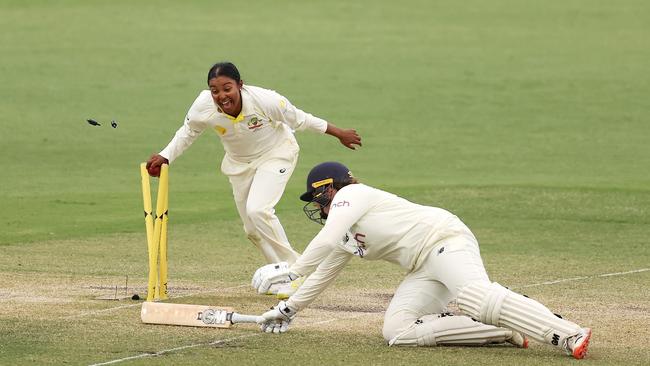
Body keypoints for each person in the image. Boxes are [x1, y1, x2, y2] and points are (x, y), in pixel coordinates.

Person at [252, 162, 592, 359]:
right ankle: (502, 327)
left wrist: (291, 268)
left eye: (319, 196)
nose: (318, 205)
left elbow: (324, 241)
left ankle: (568, 334)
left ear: (334, 188)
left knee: (475, 296)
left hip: (445, 240)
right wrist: (286, 310)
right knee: (397, 331)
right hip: (422, 267)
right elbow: (323, 275)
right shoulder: (341, 234)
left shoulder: (353, 195)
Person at [146, 63, 362, 281]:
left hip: (276, 154)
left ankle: (296, 273)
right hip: (239, 165)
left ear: (240, 85)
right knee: (252, 230)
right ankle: (280, 275)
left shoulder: (265, 100)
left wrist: (339, 133)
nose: (221, 96)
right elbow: (188, 132)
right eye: (215, 90)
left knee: (258, 210)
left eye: (227, 88)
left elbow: (301, 119)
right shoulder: (203, 106)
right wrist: (165, 156)